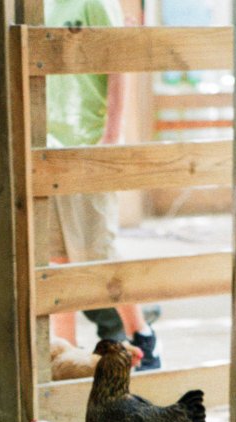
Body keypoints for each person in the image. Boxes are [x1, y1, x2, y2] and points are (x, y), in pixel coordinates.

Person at [43, 0, 162, 370]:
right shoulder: (41, 6)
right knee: (58, 258)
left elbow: (117, 63)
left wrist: (111, 134)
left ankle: (142, 337)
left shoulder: (96, 3)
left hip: (88, 141)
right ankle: (68, 354)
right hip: (48, 145)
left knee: (97, 252)